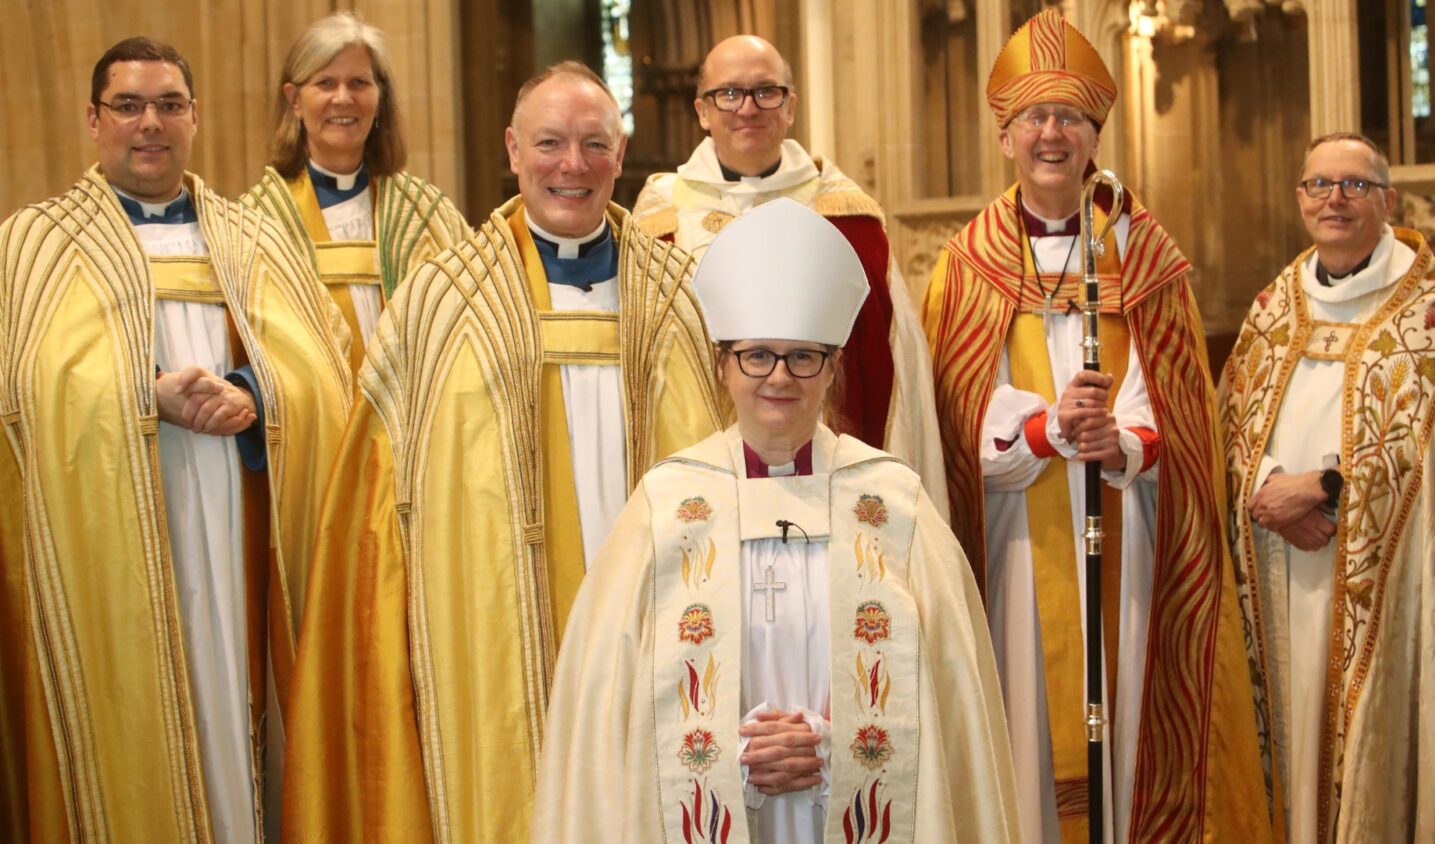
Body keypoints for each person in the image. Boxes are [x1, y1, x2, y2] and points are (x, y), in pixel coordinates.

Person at [282, 61, 725, 841]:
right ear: (512, 150)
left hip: (659, 632)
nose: (572, 166)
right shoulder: (439, 299)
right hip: (489, 639)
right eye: (549, 143)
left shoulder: (685, 296)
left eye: (594, 144)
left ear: (622, 154)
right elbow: (374, 510)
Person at [533, 197, 1021, 844]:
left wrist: (836, 747)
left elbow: (949, 709)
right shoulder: (665, 509)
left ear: (832, 368)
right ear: (723, 366)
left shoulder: (893, 508)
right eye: (757, 355)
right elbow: (606, 722)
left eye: (802, 356)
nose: (779, 377)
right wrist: (723, 756)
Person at [921, 10, 1272, 842]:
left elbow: (1181, 407)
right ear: (1005, 137)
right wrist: (1039, 432)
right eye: (1035, 117)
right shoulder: (964, 265)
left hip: (1130, 537)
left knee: (1131, 718)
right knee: (1022, 730)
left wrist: (1128, 443)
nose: (1052, 133)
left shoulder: (1146, 256)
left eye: (1070, 118)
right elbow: (948, 415)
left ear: (1095, 136)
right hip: (1012, 541)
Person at [0, 37, 351, 841]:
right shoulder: (31, 245)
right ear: (94, 120)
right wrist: (141, 394)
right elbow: (18, 393)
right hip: (110, 550)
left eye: (168, 105)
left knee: (234, 696)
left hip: (241, 535)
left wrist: (256, 397)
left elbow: (327, 373)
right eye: (128, 105)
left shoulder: (256, 239)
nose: (149, 123)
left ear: (195, 117)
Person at [1219, 132, 1435, 842]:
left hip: (1385, 586)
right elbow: (1228, 424)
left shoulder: (1427, 318)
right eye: (1318, 185)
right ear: (1299, 199)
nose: (1333, 200)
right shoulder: (1272, 308)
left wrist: (1330, 491)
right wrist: (1268, 485)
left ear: (1388, 201)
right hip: (1276, 569)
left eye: (1353, 186)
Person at [633, 35, 947, 512]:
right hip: (699, 479)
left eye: (766, 92)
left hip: (826, 481)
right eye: (729, 94)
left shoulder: (845, 217)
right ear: (702, 110)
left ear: (790, 105)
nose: (748, 108)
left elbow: (895, 366)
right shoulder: (660, 222)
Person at [243, 11, 469, 372]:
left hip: (409, 423)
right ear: (295, 100)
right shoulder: (256, 222)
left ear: (380, 98)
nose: (343, 98)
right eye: (325, 83)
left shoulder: (427, 216)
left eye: (359, 83)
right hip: (311, 424)